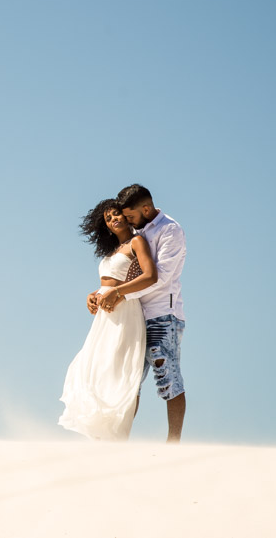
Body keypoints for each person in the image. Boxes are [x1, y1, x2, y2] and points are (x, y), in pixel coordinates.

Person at [59, 199, 159, 440]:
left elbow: (150, 276)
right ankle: (100, 434)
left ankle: (119, 436)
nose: (113, 219)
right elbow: (109, 282)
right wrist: (93, 295)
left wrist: (116, 292)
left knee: (120, 373)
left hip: (125, 312)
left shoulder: (136, 242)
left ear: (125, 215)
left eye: (116, 214)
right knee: (94, 369)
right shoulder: (111, 251)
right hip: (105, 317)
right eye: (108, 218)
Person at [99, 184, 188, 442]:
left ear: (146, 209)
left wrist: (120, 294)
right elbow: (127, 272)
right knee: (130, 380)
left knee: (168, 377)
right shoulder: (138, 231)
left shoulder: (170, 230)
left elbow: (160, 277)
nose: (127, 221)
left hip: (162, 315)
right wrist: (102, 293)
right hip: (135, 317)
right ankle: (119, 440)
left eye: (130, 216)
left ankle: (174, 443)